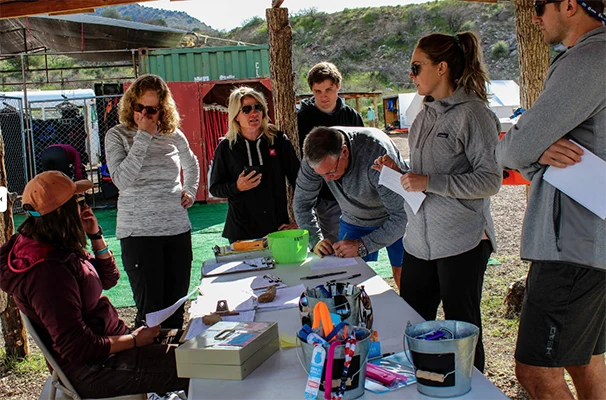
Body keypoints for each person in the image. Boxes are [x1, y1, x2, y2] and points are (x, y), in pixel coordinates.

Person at [496, 1, 606, 398]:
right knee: (584, 357)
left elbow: (513, 149)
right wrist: (537, 150)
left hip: (572, 245)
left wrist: (528, 146)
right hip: (591, 240)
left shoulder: (588, 59)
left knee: (536, 372)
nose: (535, 16)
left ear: (570, 5)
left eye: (541, 6)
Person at [374, 31, 501, 372]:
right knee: (413, 327)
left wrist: (430, 181)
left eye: (416, 67)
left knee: (463, 332)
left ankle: (474, 392)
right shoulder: (423, 114)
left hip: (462, 241)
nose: (411, 75)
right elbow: (422, 176)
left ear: (442, 67)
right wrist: (398, 170)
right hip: (418, 243)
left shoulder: (475, 115)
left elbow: (490, 180)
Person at [0, 171, 188, 397]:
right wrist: (134, 341)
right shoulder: (47, 272)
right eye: (78, 202)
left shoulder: (52, 241)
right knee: (203, 365)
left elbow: (108, 279)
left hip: (109, 346)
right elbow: (77, 347)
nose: (84, 206)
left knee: (199, 342)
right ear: (63, 212)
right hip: (92, 368)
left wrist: (95, 235)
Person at [105, 74, 200, 329]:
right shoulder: (117, 136)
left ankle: (174, 366)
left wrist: (190, 190)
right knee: (151, 314)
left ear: (162, 110)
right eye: (140, 108)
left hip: (177, 230)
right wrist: (144, 137)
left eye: (152, 110)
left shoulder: (173, 134)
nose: (144, 115)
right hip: (139, 234)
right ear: (131, 105)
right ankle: (148, 366)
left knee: (176, 309)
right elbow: (122, 180)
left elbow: (192, 163)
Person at [294, 126, 407, 288]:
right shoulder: (314, 160)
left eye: (331, 172)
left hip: (394, 215)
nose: (328, 180)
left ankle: (410, 311)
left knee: (403, 273)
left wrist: (363, 246)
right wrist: (314, 239)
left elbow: (402, 216)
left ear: (344, 152)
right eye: (322, 175)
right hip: (354, 217)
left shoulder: (376, 155)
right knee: (346, 276)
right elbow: (302, 204)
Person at [209, 86, 300, 242]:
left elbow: (300, 181)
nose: (254, 113)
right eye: (246, 109)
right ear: (236, 115)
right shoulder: (226, 147)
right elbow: (215, 189)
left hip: (277, 228)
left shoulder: (277, 140)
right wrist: (237, 187)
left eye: (258, 107)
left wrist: (300, 221)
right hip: (240, 230)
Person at [297, 62, 364, 244]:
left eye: (328, 89)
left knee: (357, 245)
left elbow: (360, 153)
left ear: (338, 87)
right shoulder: (301, 119)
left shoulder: (352, 116)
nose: (324, 96)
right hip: (322, 193)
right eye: (318, 91)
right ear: (311, 90)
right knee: (334, 244)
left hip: (352, 192)